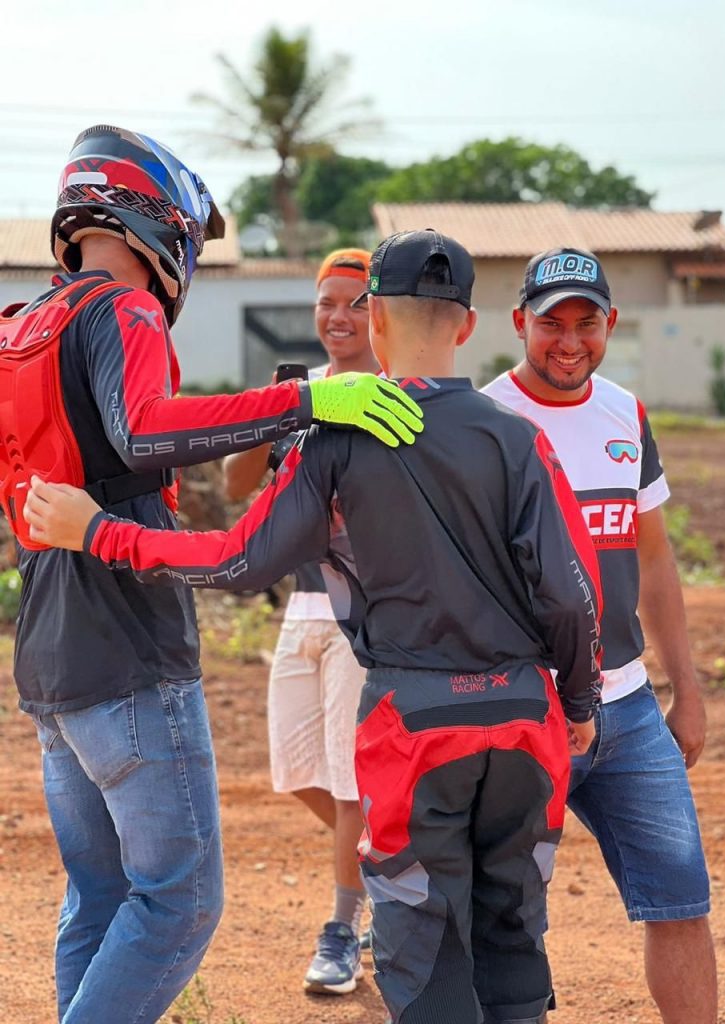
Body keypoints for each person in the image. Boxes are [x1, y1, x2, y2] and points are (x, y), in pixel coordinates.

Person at [25, 229, 603, 1024]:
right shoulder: (520, 437)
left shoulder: (336, 439)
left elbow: (237, 559)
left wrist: (100, 532)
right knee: (513, 934)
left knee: (424, 951)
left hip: (414, 722)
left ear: (374, 320)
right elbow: (572, 595)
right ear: (468, 326)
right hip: (524, 719)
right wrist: (579, 704)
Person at [1, 125, 422, 1024]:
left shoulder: (18, 324)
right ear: (159, 221)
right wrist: (306, 397)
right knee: (179, 902)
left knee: (102, 897)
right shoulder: (123, 309)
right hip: (126, 641)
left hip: (47, 649)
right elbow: (146, 431)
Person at [482, 247, 717, 1024]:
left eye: (588, 323)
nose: (570, 340)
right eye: (552, 323)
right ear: (521, 322)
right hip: (527, 711)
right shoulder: (487, 422)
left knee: (681, 898)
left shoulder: (626, 412)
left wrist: (686, 686)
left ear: (611, 324)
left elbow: (652, 554)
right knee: (514, 918)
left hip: (628, 706)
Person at [222, 249, 376, 996]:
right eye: (326, 303)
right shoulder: (296, 392)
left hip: (366, 615)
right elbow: (234, 486)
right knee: (294, 772)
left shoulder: (396, 394)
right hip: (301, 606)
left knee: (350, 784)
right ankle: (391, 867)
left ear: (380, 312)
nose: (337, 317)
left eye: (354, 302)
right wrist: (271, 413)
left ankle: (344, 929)